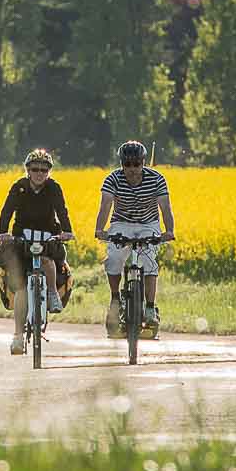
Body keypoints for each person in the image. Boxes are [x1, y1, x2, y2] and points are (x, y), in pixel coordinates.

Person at [0, 147, 75, 356]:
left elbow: (62, 210)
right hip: (22, 236)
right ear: (28, 171)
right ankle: (18, 337)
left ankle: (51, 293)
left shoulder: (53, 188)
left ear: (49, 171)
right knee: (21, 287)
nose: (39, 173)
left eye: (43, 170)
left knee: (49, 260)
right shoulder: (19, 187)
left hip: (48, 234)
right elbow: (7, 210)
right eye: (35, 169)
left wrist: (67, 231)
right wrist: (3, 232)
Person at [93, 139, 175, 335]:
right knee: (114, 259)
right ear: (122, 164)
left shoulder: (156, 179)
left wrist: (169, 230)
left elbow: (165, 206)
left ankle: (149, 307)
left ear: (143, 162)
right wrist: (100, 229)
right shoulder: (112, 179)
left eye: (136, 163)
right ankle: (115, 299)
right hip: (122, 223)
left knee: (149, 262)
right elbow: (105, 205)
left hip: (149, 224)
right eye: (127, 164)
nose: (132, 168)